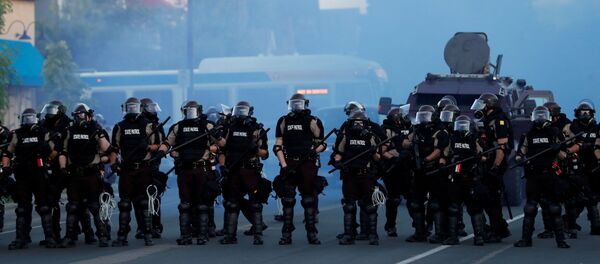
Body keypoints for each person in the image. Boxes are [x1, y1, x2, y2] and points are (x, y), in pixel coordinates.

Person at [156, 100, 225, 245]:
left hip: (201, 168)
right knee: (185, 204)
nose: (190, 113)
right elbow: (167, 143)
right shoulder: (178, 127)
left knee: (202, 203)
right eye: (188, 110)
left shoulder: (207, 126)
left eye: (193, 110)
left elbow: (222, 145)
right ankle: (185, 235)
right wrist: (161, 152)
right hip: (184, 169)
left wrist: (217, 136)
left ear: (199, 111)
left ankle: (202, 234)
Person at [58, 103, 115, 248]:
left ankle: (102, 236)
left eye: (82, 115)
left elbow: (109, 150)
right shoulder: (69, 131)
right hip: (74, 174)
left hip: (91, 174)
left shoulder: (96, 130)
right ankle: (69, 237)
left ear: (89, 116)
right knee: (72, 207)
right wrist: (63, 168)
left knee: (95, 206)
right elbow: (63, 152)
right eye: (77, 116)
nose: (80, 118)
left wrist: (109, 162)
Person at [513, 106, 570, 248]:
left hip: (550, 174)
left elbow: (564, 155)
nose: (540, 118)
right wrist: (519, 159)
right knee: (530, 208)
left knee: (554, 208)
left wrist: (557, 149)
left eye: (542, 116)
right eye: (537, 116)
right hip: (533, 176)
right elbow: (520, 153)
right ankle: (526, 240)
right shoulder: (528, 135)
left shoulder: (555, 133)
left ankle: (561, 241)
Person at [2, 108, 58, 249]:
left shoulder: (43, 132)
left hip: (39, 174)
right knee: (22, 208)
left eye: (30, 118)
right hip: (22, 175)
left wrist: (48, 152)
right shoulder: (17, 134)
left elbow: (54, 153)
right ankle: (21, 238)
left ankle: (50, 237)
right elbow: (7, 153)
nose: (28, 121)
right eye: (26, 118)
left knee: (44, 207)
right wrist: (6, 167)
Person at [274, 93, 325, 245]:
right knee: (288, 200)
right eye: (293, 104)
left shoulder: (313, 121)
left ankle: (312, 234)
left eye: (299, 104)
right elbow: (278, 146)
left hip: (307, 163)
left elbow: (322, 143)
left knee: (308, 199)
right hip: (289, 162)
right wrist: (284, 166)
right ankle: (286, 235)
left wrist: (314, 151)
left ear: (305, 104)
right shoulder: (283, 121)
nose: (296, 107)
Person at [111, 97, 161, 247]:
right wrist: (114, 164)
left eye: (135, 107)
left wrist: (147, 147)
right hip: (127, 169)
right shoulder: (119, 127)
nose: (132, 110)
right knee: (125, 204)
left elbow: (158, 146)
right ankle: (122, 237)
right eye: (129, 107)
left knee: (144, 203)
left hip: (144, 168)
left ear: (140, 108)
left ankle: (148, 235)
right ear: (125, 108)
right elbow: (114, 148)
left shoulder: (149, 125)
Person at [220, 101, 269, 245]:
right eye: (238, 111)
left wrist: (255, 150)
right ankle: (230, 236)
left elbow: (265, 153)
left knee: (255, 203)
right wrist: (223, 167)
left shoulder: (257, 130)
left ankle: (258, 235)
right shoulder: (229, 128)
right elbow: (222, 150)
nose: (240, 114)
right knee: (232, 203)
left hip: (250, 170)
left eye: (243, 111)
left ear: (250, 112)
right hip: (233, 170)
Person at [333, 111, 382, 245]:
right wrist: (338, 162)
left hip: (366, 174)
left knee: (370, 206)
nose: (357, 125)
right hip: (349, 175)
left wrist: (373, 152)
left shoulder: (371, 137)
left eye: (360, 122)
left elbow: (378, 157)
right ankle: (349, 235)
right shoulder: (345, 136)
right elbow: (338, 152)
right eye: (355, 122)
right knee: (349, 206)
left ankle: (373, 235)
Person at [403, 105, 450, 243]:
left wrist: (426, 159)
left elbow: (439, 150)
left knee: (436, 203)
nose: (424, 119)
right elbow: (405, 141)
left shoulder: (440, 131)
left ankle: (440, 233)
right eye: (421, 116)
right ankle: (420, 232)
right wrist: (411, 145)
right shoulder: (417, 130)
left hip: (433, 169)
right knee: (416, 203)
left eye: (426, 116)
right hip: (418, 171)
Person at [470, 93, 512, 243]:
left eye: (482, 103)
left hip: (495, 163)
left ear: (489, 105)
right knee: (488, 198)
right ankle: (500, 228)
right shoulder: (489, 119)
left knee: (492, 199)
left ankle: (498, 231)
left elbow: (502, 147)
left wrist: (495, 167)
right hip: (488, 161)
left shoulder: (498, 120)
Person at [442, 115, 487, 245]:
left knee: (475, 208)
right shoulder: (452, 139)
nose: (462, 128)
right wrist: (443, 165)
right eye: (459, 125)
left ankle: (479, 236)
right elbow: (445, 154)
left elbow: (484, 157)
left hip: (471, 177)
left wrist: (477, 158)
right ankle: (453, 236)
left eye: (464, 125)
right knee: (454, 208)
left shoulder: (475, 140)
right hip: (456, 178)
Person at [133, 98, 167, 240]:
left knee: (153, 197)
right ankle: (142, 227)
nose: (153, 110)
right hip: (136, 166)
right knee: (138, 199)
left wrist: (151, 149)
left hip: (152, 166)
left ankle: (156, 227)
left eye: (154, 107)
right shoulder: (134, 124)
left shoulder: (156, 125)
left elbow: (164, 144)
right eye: (150, 108)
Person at [380, 106, 412, 237]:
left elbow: (415, 143)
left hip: (408, 167)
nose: (405, 118)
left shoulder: (411, 128)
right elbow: (381, 150)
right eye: (402, 116)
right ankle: (390, 226)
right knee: (393, 199)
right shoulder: (385, 130)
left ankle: (420, 227)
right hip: (392, 168)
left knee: (412, 198)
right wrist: (393, 158)